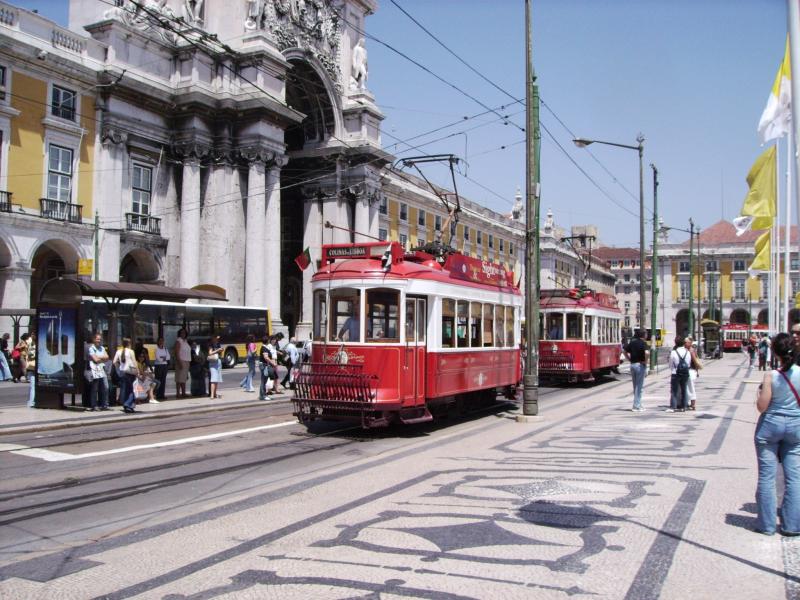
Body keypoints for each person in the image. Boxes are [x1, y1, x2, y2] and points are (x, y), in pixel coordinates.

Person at [754, 332, 800, 536]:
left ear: (775, 352)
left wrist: (760, 392)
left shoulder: (771, 375)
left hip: (770, 427)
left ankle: (767, 525)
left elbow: (762, 407)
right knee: (795, 478)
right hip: (796, 427)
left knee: (767, 477)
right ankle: (791, 525)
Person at [623, 328, 649, 412]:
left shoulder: (633, 342)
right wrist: (646, 361)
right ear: (643, 335)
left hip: (633, 365)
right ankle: (636, 406)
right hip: (640, 365)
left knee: (635, 386)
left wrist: (629, 359)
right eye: (646, 334)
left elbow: (624, 351)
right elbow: (647, 353)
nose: (647, 335)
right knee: (639, 386)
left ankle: (638, 403)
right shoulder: (644, 343)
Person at [112, 337, 138, 414]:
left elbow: (114, 362)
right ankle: (128, 405)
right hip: (130, 372)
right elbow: (134, 362)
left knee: (125, 389)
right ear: (129, 343)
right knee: (132, 390)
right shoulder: (131, 351)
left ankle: (126, 405)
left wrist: (119, 368)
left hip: (122, 372)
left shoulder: (118, 351)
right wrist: (137, 371)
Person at [667, 335, 691, 413]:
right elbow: (688, 363)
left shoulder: (673, 352)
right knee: (684, 390)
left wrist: (673, 369)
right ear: (684, 343)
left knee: (674, 390)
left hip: (675, 372)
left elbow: (670, 363)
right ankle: (683, 406)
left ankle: (673, 406)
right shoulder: (687, 352)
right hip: (685, 373)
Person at [87, 332, 110, 411]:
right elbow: (95, 360)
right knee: (95, 388)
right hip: (95, 370)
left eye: (100, 339)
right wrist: (102, 358)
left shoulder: (102, 348)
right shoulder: (91, 348)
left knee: (106, 387)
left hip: (102, 369)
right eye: (97, 339)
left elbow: (107, 357)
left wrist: (98, 357)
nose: (99, 341)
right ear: (94, 340)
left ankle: (105, 404)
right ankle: (94, 405)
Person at [684, 336, 702, 411]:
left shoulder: (691, 351)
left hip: (690, 371)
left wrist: (697, 371)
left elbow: (696, 361)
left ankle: (693, 403)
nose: (684, 343)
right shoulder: (687, 350)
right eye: (684, 342)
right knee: (687, 388)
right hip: (687, 371)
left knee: (690, 387)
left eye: (686, 342)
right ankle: (687, 402)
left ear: (690, 343)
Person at [174, 328, 191, 398]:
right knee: (179, 378)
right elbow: (176, 353)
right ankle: (178, 393)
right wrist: (179, 362)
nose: (183, 334)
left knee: (184, 378)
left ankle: (183, 393)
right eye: (182, 333)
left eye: (184, 333)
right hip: (181, 361)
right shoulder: (178, 341)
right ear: (179, 334)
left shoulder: (186, 341)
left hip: (187, 361)